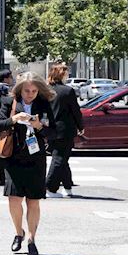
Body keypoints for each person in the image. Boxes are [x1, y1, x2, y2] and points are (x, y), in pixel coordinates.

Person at [0, 71, 55, 255]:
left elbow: (54, 132)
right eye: (26, 91)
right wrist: (14, 119)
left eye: (34, 91)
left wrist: (39, 126)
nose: (30, 94)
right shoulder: (9, 102)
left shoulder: (44, 104)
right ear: (19, 90)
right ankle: (18, 232)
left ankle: (31, 238)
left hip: (36, 158)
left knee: (33, 200)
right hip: (14, 158)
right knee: (14, 198)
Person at [45, 62, 84, 198]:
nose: (67, 76)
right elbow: (75, 111)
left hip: (50, 128)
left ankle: (68, 187)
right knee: (59, 158)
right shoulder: (67, 91)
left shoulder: (46, 90)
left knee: (62, 158)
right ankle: (50, 187)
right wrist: (80, 126)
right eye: (65, 74)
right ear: (61, 75)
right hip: (65, 129)